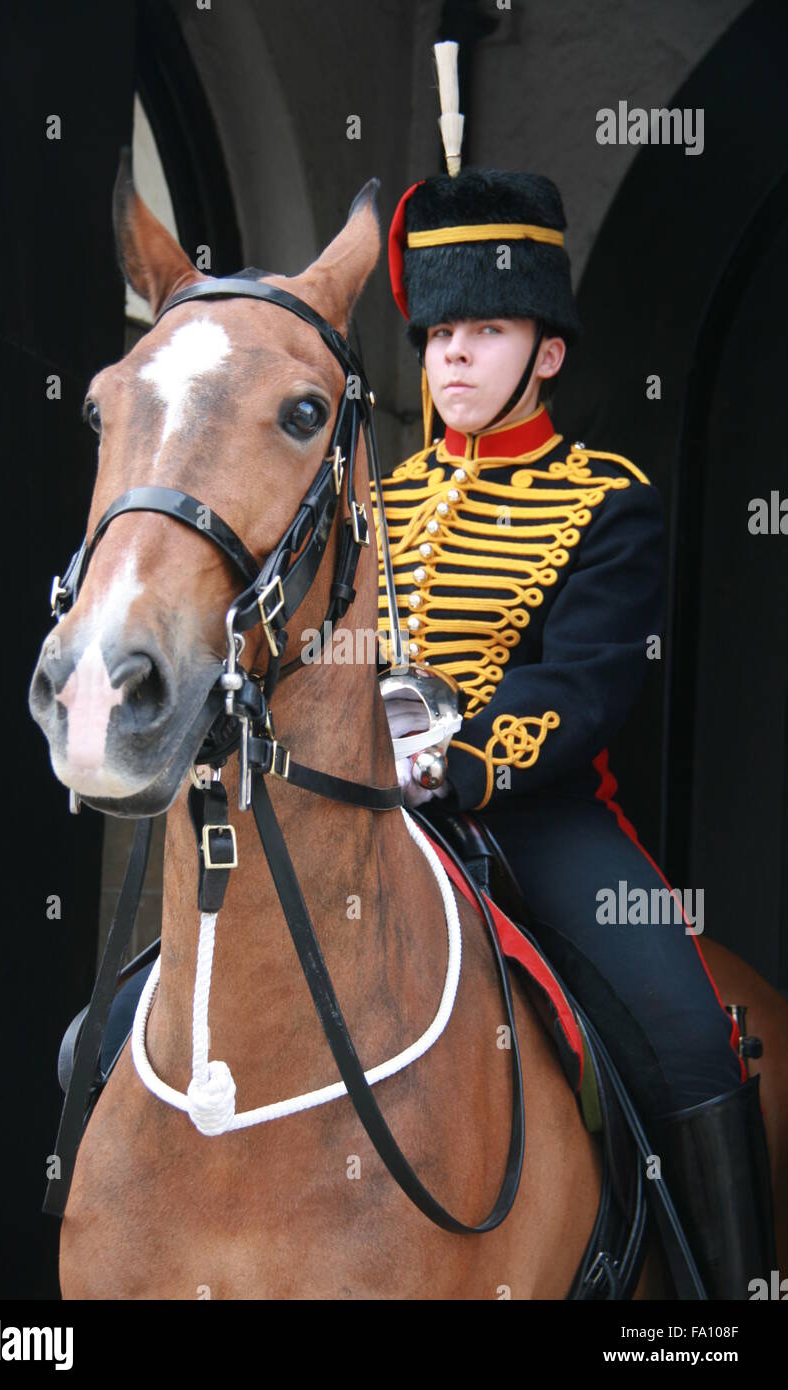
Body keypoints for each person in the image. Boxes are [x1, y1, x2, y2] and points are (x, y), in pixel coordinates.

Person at [370, 162, 777, 1298]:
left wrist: (463, 759)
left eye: (485, 328)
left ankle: (724, 1309)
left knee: (693, 1037)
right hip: (353, 810)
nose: (451, 354)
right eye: (439, 329)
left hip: (533, 819)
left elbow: (584, 686)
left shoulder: (605, 499)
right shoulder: (372, 501)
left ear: (546, 352)